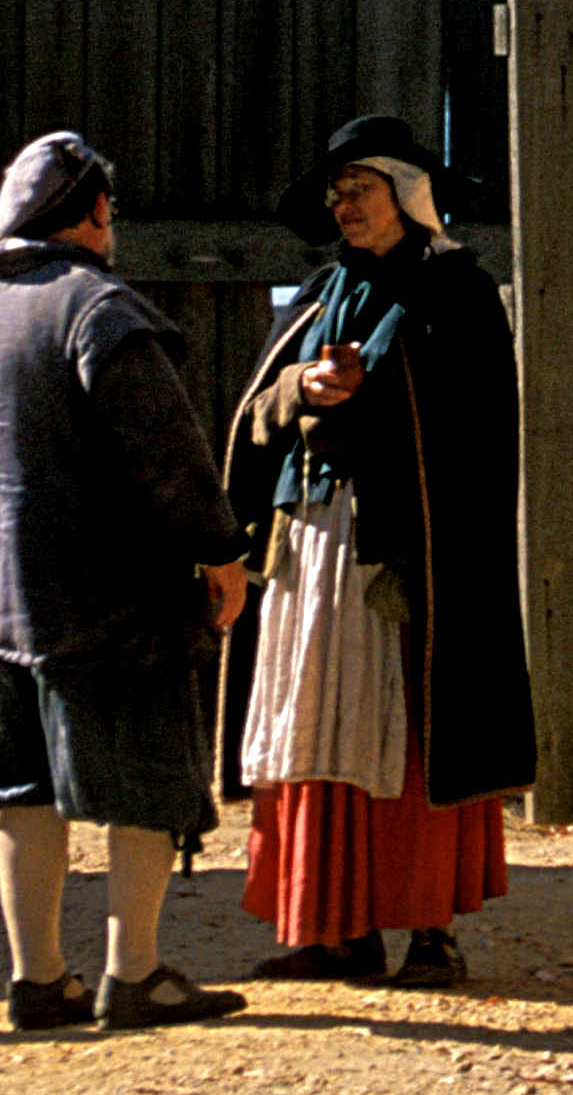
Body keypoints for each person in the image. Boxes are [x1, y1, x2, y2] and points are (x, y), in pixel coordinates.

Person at [0, 130, 253, 1033]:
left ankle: (39, 978)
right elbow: (167, 450)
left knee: (22, 789)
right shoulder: (97, 308)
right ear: (95, 214)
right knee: (146, 780)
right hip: (108, 596)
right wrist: (220, 550)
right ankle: (137, 973)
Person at [223, 112, 536, 985]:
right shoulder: (322, 294)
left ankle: (428, 930)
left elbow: (475, 426)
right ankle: (333, 927)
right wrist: (301, 389)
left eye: (357, 188)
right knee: (313, 724)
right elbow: (258, 412)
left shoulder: (458, 294)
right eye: (335, 192)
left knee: (406, 728)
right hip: (313, 544)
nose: (343, 205)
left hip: (408, 555)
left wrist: (375, 389)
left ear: (404, 193)